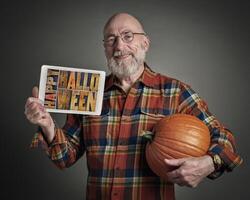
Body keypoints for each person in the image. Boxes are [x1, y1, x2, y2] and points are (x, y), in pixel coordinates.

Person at [25, 13, 243, 200]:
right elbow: (65, 157)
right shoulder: (89, 92)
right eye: (111, 40)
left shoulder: (174, 91)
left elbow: (224, 137)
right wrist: (47, 125)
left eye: (127, 36)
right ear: (105, 49)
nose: (119, 46)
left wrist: (210, 162)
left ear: (145, 43)